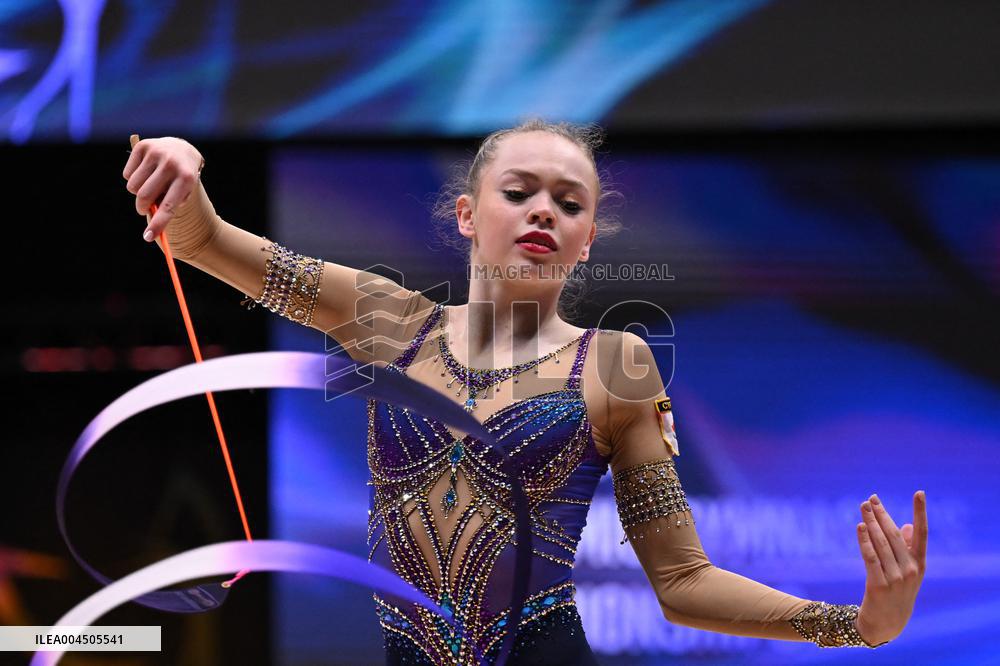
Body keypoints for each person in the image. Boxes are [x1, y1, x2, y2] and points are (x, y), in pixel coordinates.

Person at [122, 120, 927, 665]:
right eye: (519, 192)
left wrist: (854, 625)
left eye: (569, 204)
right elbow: (202, 240)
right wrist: (182, 169)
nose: (544, 210)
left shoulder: (615, 365)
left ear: (586, 241)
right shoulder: (385, 320)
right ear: (467, 215)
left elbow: (683, 584)